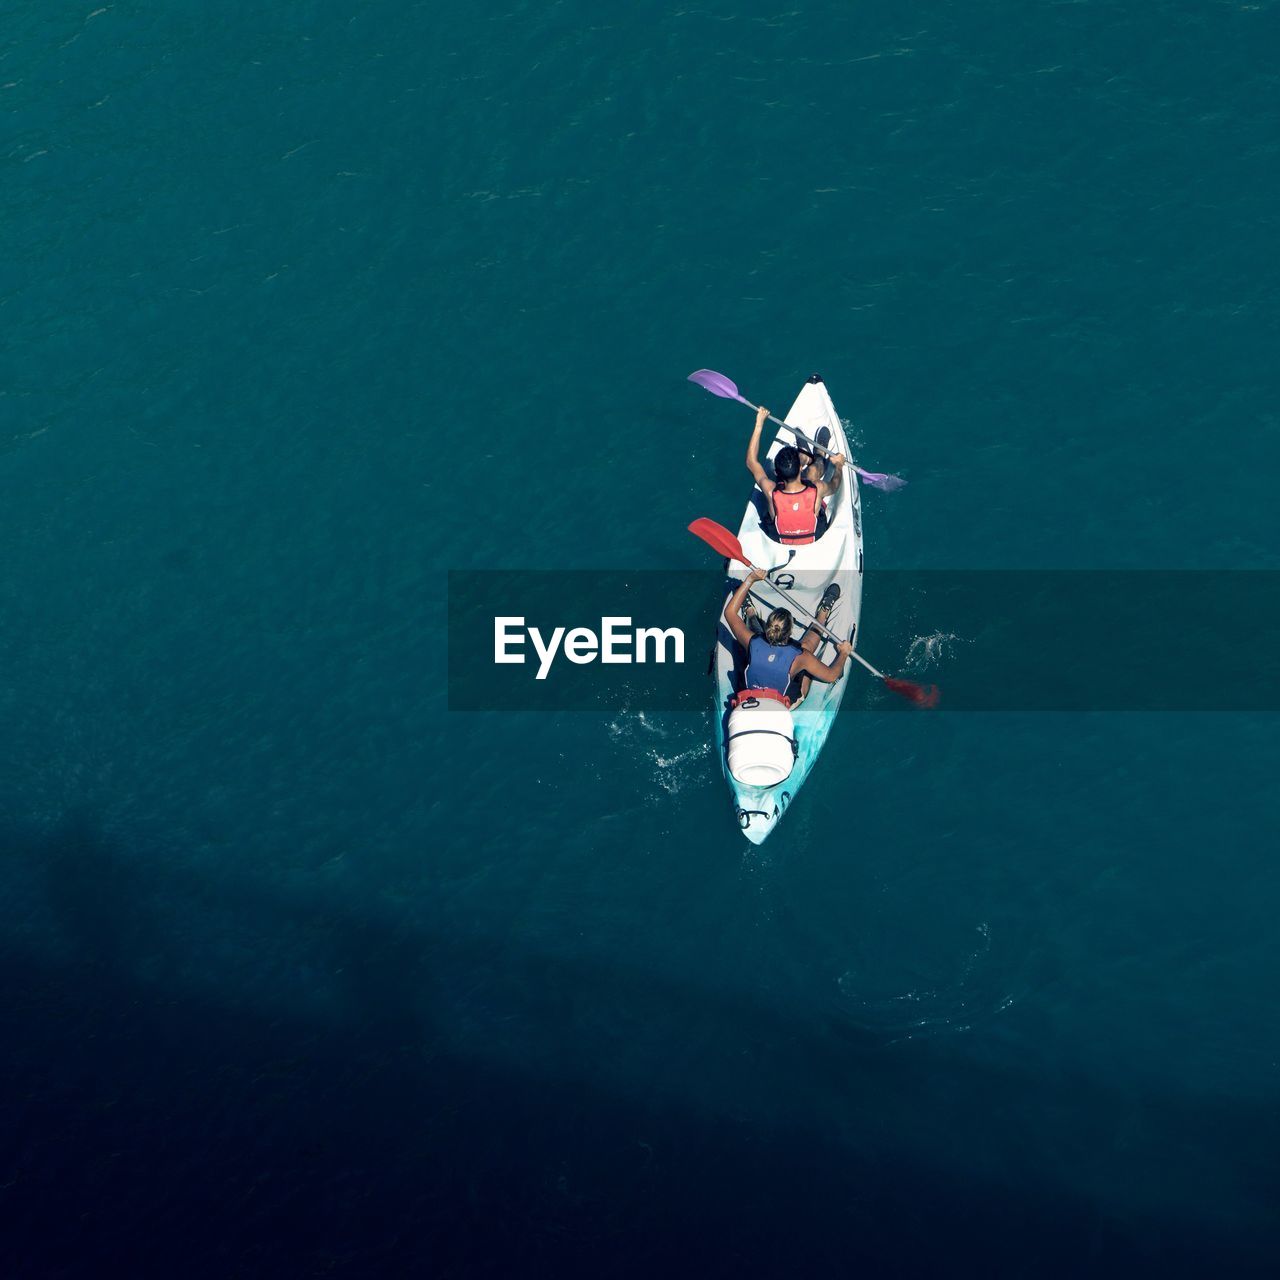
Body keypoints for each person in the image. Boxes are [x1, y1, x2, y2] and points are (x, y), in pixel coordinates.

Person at [723, 569, 854, 706]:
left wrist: (750, 579)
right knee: (806, 647)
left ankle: (749, 611)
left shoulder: (752, 642)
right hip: (783, 705)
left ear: (769, 626)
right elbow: (831, 676)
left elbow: (729, 613)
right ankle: (822, 614)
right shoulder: (800, 657)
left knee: (756, 636)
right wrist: (844, 653)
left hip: (749, 700)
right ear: (790, 632)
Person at [746, 404, 847, 546]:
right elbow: (835, 485)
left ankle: (804, 455)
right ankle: (818, 454)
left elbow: (751, 461)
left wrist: (759, 423)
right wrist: (838, 466)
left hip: (778, 538)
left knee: (808, 477)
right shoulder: (817, 489)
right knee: (813, 472)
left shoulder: (770, 491)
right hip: (814, 536)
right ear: (800, 468)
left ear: (776, 472)